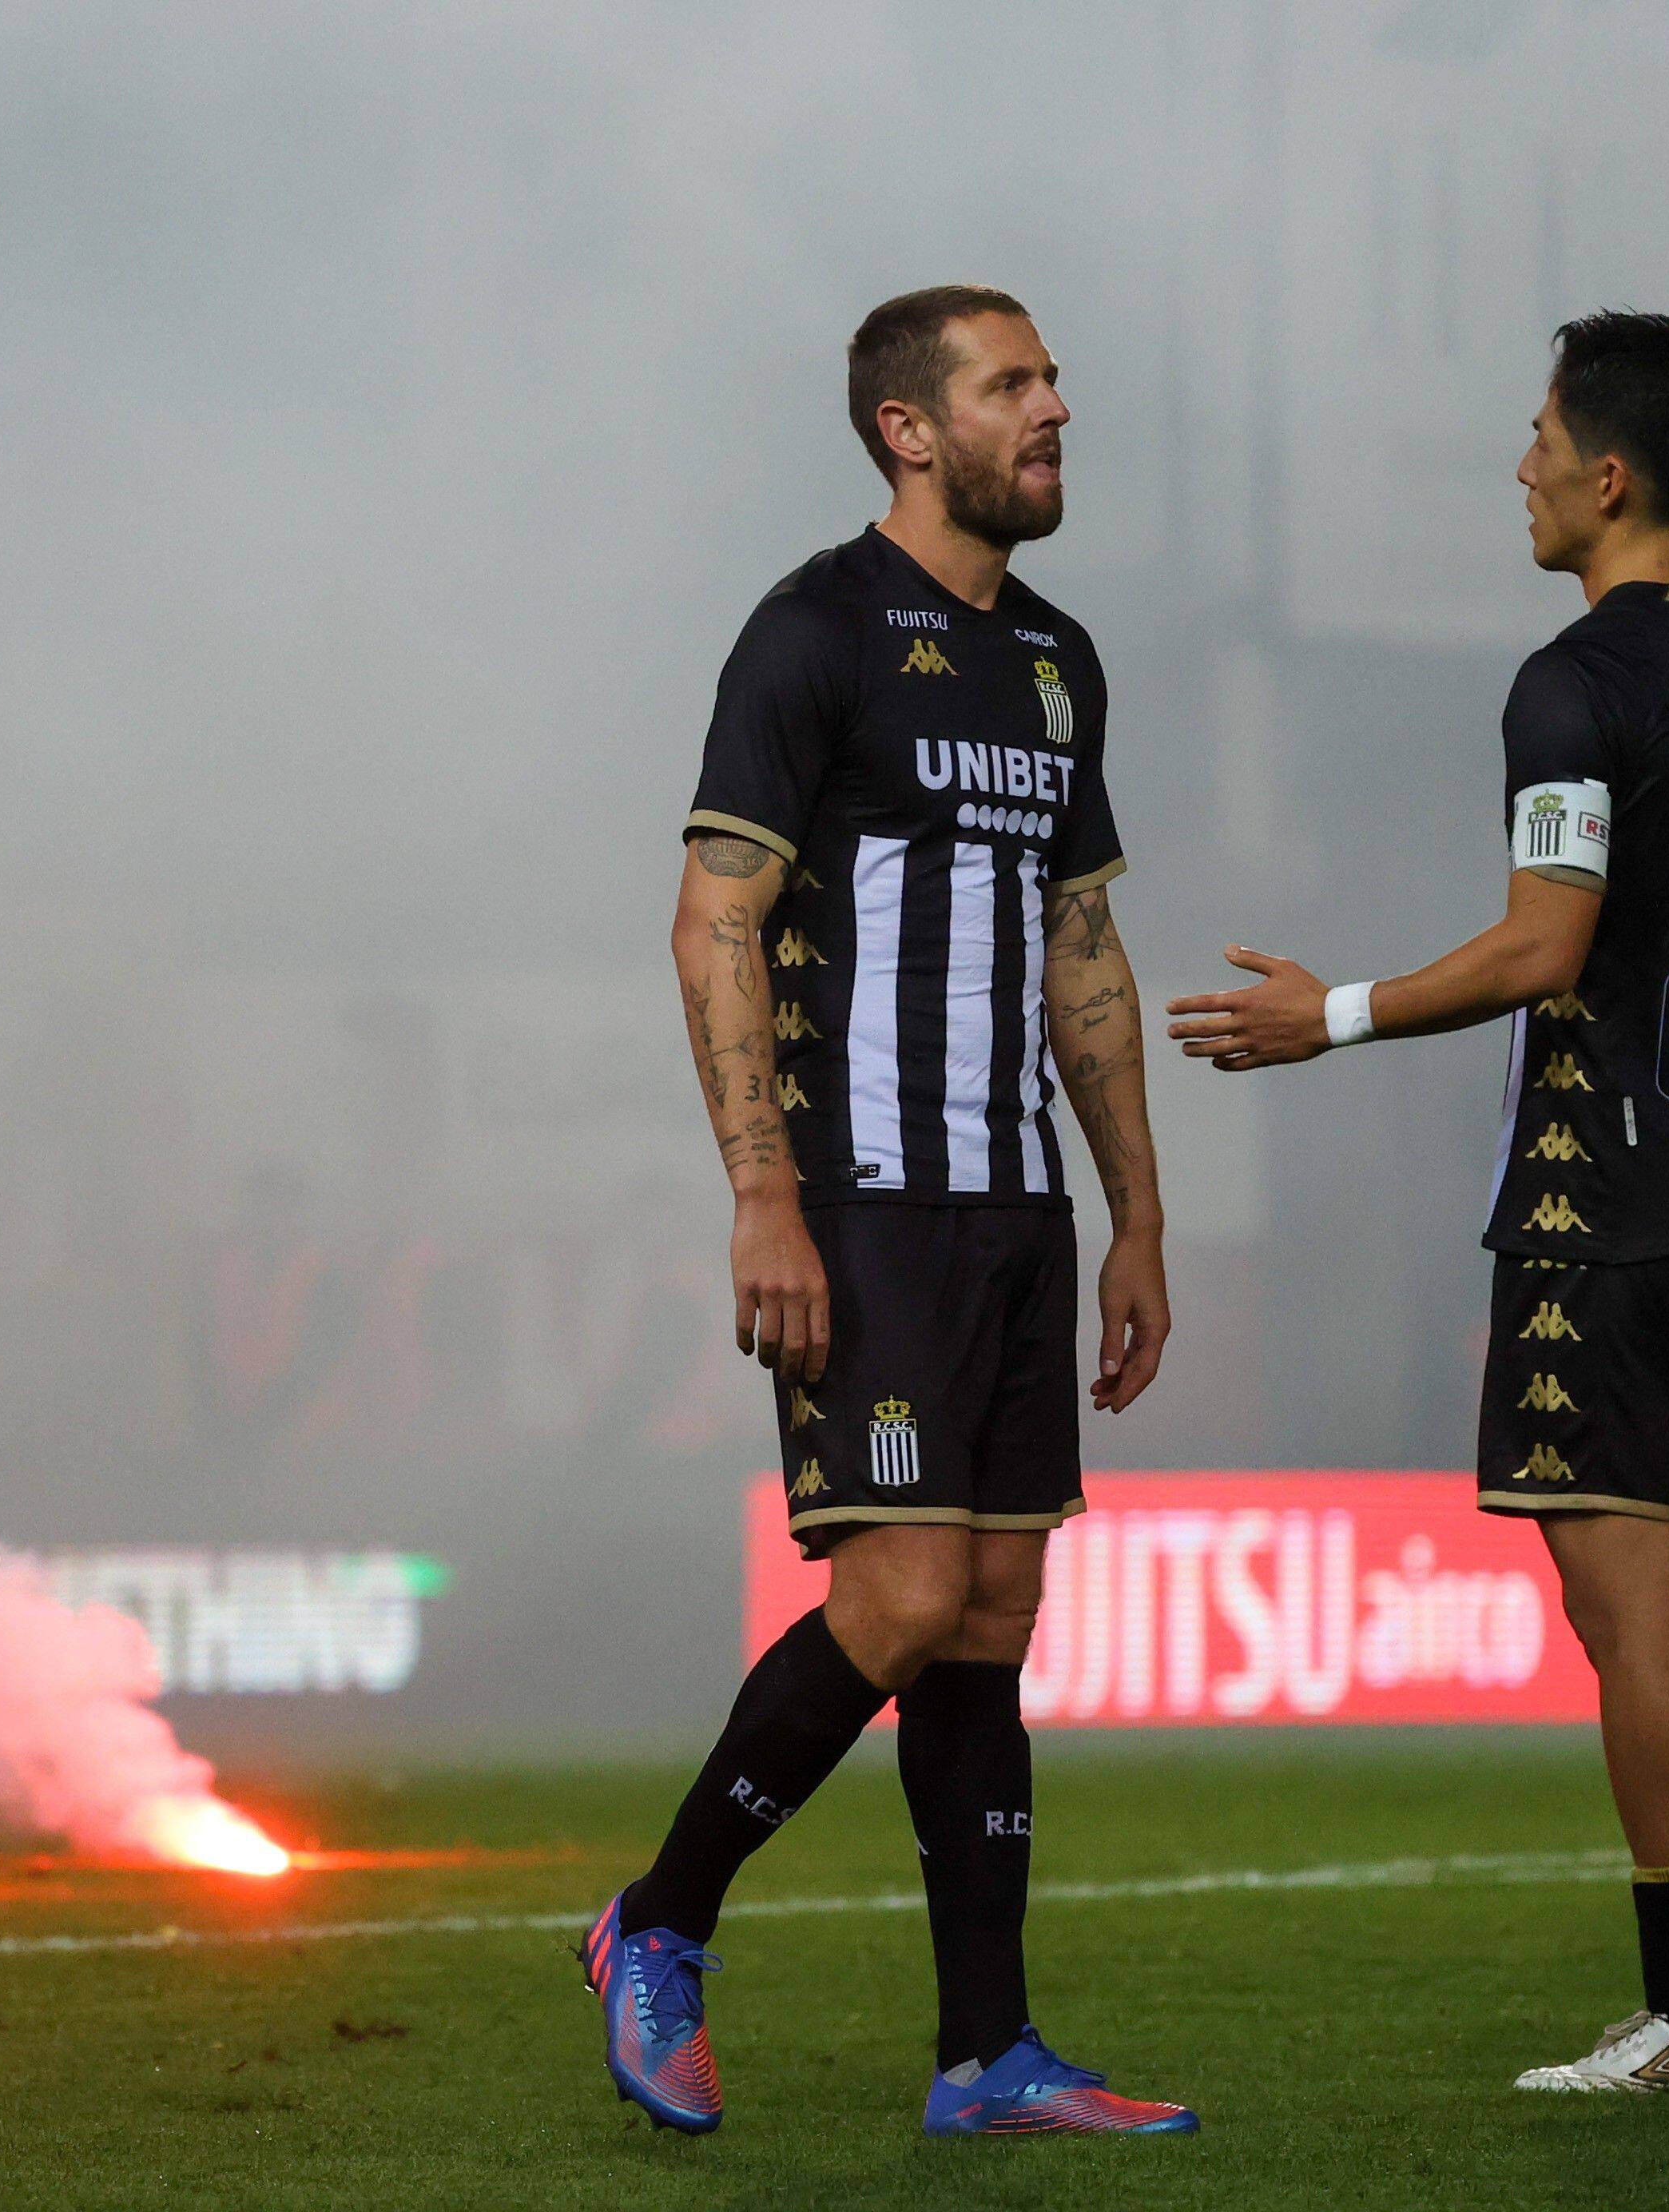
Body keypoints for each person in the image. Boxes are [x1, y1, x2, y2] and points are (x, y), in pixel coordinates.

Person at [1164, 310, 1669, 2093]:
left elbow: (1544, 942)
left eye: (1538, 435)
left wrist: (1324, 1015)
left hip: (1602, 1201)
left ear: (1606, 473)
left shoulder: (1574, 679)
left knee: (1626, 1616)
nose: (1520, 467)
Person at [582, 283, 1196, 2139]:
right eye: (1012, 386)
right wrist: (762, 1193)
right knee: (903, 1588)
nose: (1053, 408)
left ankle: (984, 2052)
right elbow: (712, 920)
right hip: (857, 1194)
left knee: (991, 1616)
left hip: (1008, 1202)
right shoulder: (810, 634)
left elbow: (1081, 946)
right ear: (905, 430)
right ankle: (654, 1922)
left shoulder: (1057, 660)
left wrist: (1133, 1218)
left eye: (1051, 380)